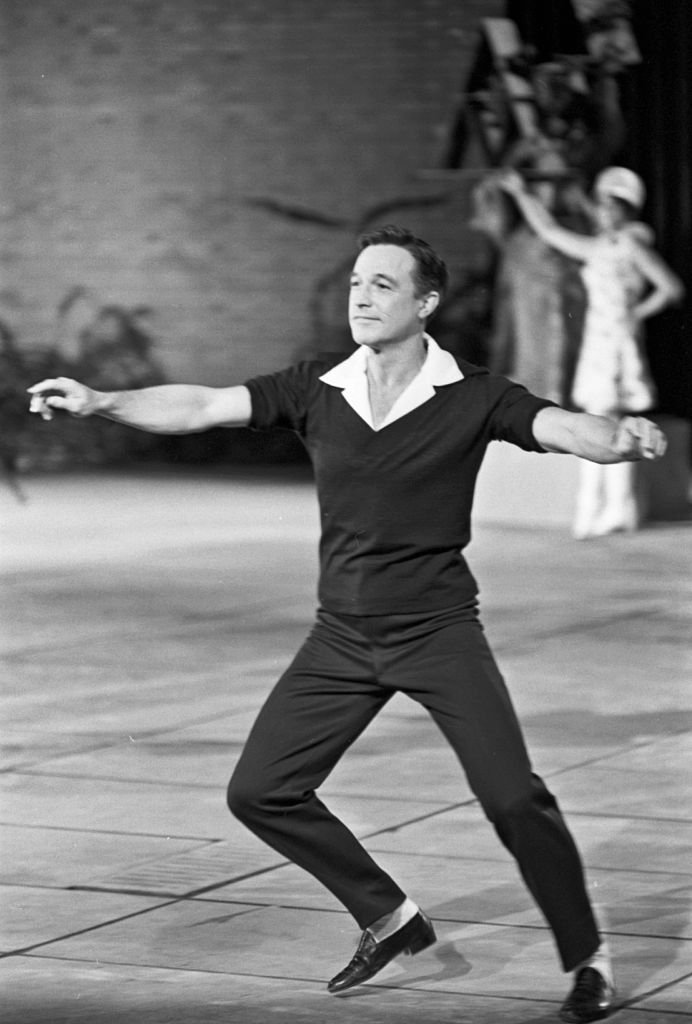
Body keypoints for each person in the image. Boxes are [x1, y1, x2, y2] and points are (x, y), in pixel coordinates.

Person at [28, 225, 668, 1023]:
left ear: (426, 304)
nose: (361, 297)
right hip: (341, 638)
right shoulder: (316, 388)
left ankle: (587, 960)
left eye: (383, 285)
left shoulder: (473, 396)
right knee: (261, 790)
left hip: (437, 632)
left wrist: (618, 439)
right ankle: (392, 918)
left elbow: (561, 427)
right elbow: (199, 404)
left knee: (511, 797)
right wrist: (102, 400)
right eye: (358, 284)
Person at [500, 167, 684, 539]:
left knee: (609, 420)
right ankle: (609, 509)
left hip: (616, 343)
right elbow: (550, 232)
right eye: (599, 206)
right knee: (602, 419)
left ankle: (610, 510)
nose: (601, 213)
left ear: (623, 211)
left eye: (608, 207)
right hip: (598, 341)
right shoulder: (598, 247)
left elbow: (670, 287)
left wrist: (634, 313)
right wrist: (522, 195)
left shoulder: (631, 246)